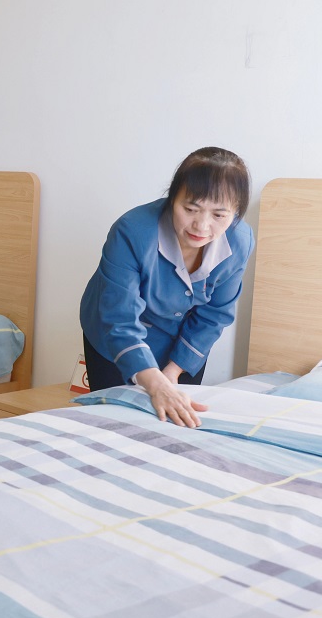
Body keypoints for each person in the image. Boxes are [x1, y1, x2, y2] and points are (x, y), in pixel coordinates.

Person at [80, 147, 253, 428]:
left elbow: (215, 314)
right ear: (173, 198)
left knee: (175, 426)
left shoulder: (240, 241)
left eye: (219, 215)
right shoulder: (132, 231)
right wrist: (155, 383)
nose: (202, 225)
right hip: (116, 337)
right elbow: (120, 318)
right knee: (114, 425)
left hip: (184, 344)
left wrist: (173, 372)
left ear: (235, 213)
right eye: (190, 209)